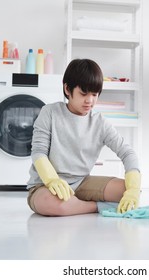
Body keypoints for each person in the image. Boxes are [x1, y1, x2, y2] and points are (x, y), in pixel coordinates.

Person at [26, 58, 141, 216]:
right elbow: (38, 152)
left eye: (94, 94)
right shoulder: (49, 113)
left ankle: (75, 204)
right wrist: (52, 180)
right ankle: (95, 206)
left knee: (128, 190)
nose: (90, 101)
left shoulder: (99, 123)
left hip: (82, 183)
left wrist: (133, 190)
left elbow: (127, 153)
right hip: (45, 186)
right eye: (83, 93)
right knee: (51, 203)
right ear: (67, 89)